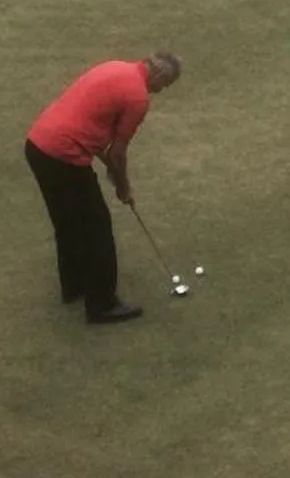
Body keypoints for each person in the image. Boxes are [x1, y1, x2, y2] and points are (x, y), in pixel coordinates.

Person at [25, 51, 183, 325]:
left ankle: (74, 287)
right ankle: (102, 304)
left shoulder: (114, 67)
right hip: (64, 156)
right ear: (159, 74)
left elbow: (97, 137)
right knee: (97, 228)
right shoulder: (137, 98)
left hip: (38, 146)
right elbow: (118, 154)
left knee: (67, 223)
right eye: (164, 85)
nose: (161, 91)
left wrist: (117, 179)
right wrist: (124, 187)